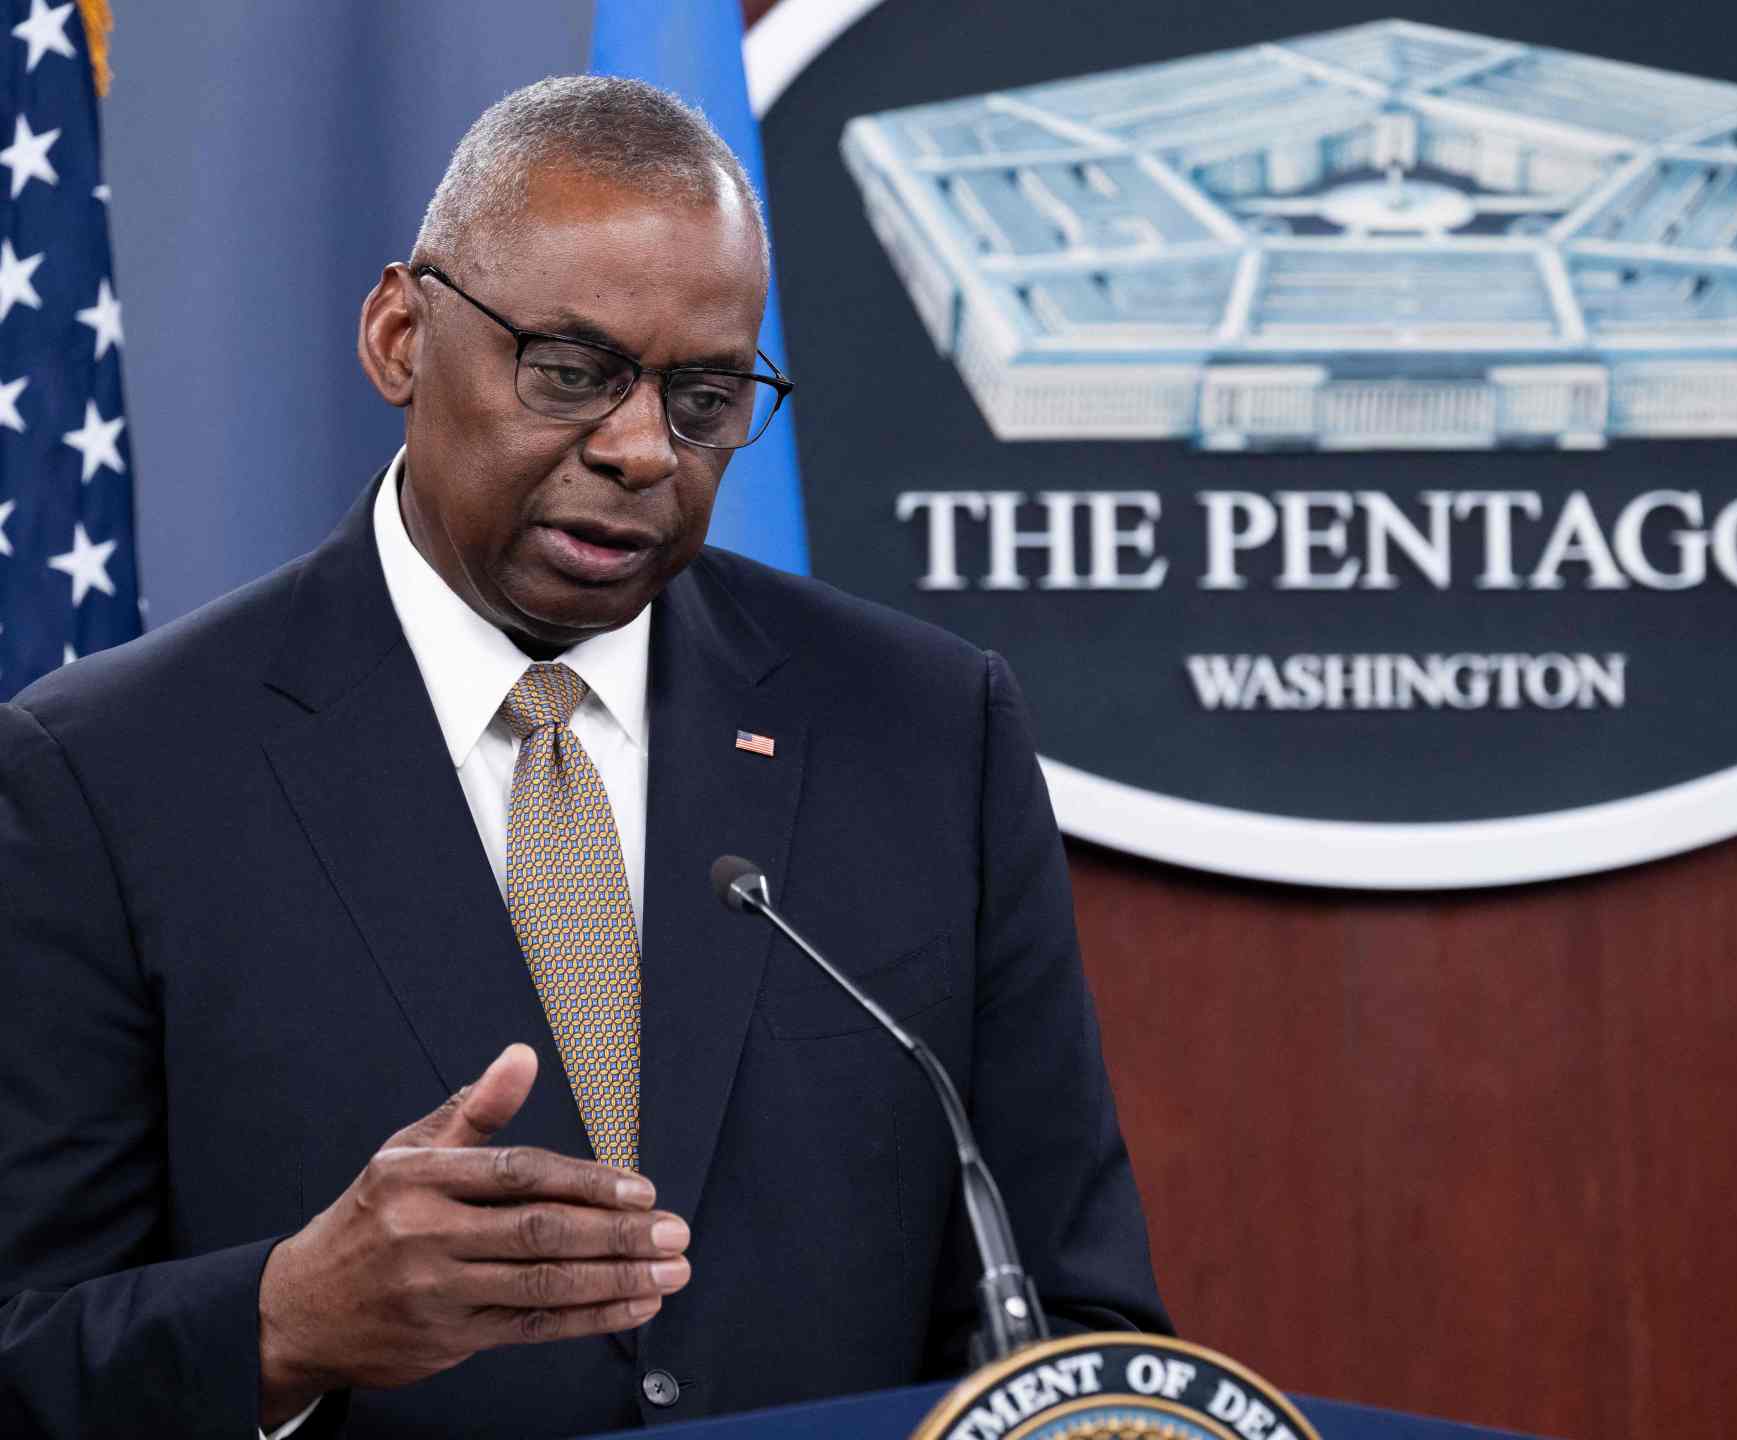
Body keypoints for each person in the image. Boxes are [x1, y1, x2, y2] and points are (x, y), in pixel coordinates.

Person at [0, 76, 1167, 1439]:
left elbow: (1076, 1325)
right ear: (399, 337)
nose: (639, 450)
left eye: (706, 397)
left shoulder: (924, 732)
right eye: (571, 372)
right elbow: (24, 1346)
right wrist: (279, 1325)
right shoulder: (108, 774)